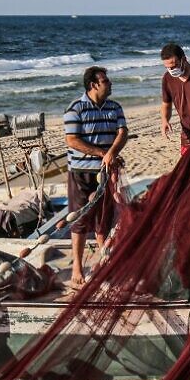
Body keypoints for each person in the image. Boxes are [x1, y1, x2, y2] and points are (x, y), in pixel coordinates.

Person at [63, 66, 128, 288]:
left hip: (106, 171)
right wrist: (103, 153)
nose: (110, 83)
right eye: (106, 81)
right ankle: (77, 266)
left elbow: (123, 132)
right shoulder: (75, 109)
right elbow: (72, 140)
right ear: (93, 85)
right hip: (82, 172)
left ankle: (104, 261)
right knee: (80, 219)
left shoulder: (114, 107)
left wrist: (112, 154)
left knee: (105, 218)